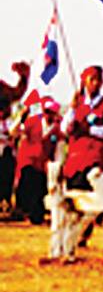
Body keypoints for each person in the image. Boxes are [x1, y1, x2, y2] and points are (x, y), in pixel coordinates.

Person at [60, 65, 103, 192]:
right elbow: (64, 128)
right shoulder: (77, 104)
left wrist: (90, 130)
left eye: (98, 80)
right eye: (92, 79)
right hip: (75, 163)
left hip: (98, 162)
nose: (95, 83)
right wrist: (72, 108)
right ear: (85, 82)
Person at [13, 88, 56, 224]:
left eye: (51, 112)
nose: (49, 115)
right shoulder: (32, 122)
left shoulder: (56, 128)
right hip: (28, 161)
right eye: (47, 111)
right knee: (28, 185)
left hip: (42, 164)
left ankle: (35, 215)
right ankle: (23, 211)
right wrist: (21, 117)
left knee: (40, 190)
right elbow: (14, 131)